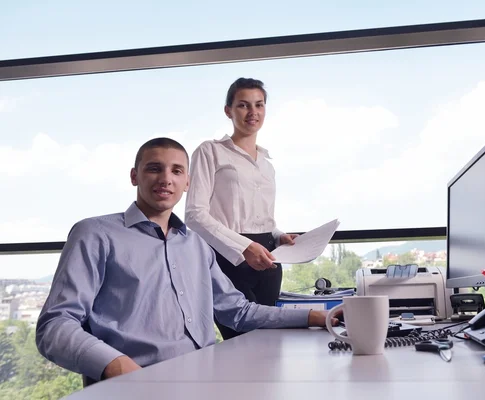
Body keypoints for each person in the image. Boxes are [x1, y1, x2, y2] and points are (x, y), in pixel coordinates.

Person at [36, 137, 335, 385]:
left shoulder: (196, 245)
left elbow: (239, 312)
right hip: (134, 386)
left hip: (203, 381)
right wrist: (118, 367)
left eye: (177, 171)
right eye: (155, 169)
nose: (166, 178)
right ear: (134, 176)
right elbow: (55, 325)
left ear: (188, 183)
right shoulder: (95, 234)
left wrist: (317, 317)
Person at [185, 78, 298, 340]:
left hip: (268, 259)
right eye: (243, 105)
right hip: (227, 259)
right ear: (229, 111)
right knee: (240, 341)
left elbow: (261, 216)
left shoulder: (267, 164)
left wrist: (279, 234)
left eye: (259, 105)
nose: (253, 112)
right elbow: (194, 214)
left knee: (267, 341)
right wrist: (244, 247)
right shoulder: (209, 151)